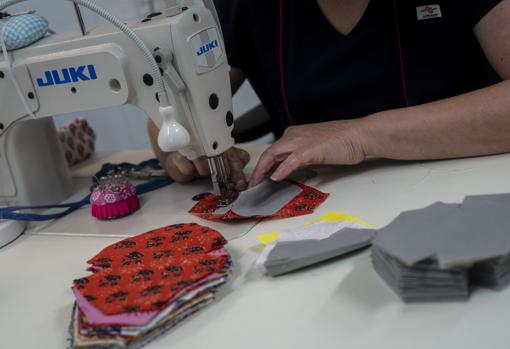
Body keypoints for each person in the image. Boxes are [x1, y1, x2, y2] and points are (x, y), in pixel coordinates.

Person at [149, 0, 510, 190]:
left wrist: (359, 135)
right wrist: (181, 145)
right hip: (322, 213)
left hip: (462, 188)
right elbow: (170, 103)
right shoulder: (246, 6)